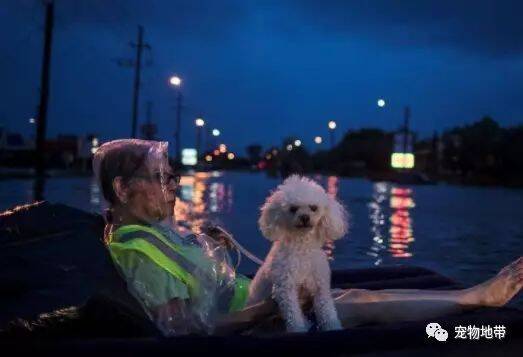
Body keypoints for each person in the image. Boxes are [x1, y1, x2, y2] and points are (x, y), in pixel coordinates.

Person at [93, 139, 523, 336]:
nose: (172, 185)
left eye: (171, 176)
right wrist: (264, 310)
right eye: (160, 177)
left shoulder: (149, 233)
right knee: (353, 301)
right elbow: (184, 330)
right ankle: (475, 301)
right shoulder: (135, 249)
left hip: (251, 300)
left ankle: (470, 299)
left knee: (349, 291)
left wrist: (207, 243)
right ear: (123, 190)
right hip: (253, 323)